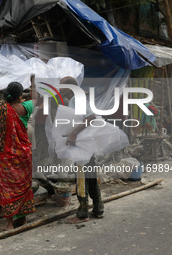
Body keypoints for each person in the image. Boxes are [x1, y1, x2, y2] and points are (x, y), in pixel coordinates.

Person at [0, 78, 36, 230]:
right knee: (22, 187)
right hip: (23, 155)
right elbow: (35, 98)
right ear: (20, 96)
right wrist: (33, 81)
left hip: (5, 156)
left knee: (7, 189)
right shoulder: (26, 107)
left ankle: (9, 223)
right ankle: (22, 219)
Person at [53, 76, 104, 224]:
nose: (60, 90)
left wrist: (74, 133)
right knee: (91, 176)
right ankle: (98, 209)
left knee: (81, 178)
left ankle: (82, 213)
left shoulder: (76, 99)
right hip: (87, 144)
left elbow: (91, 117)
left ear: (69, 88)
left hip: (82, 147)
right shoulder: (76, 99)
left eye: (62, 87)